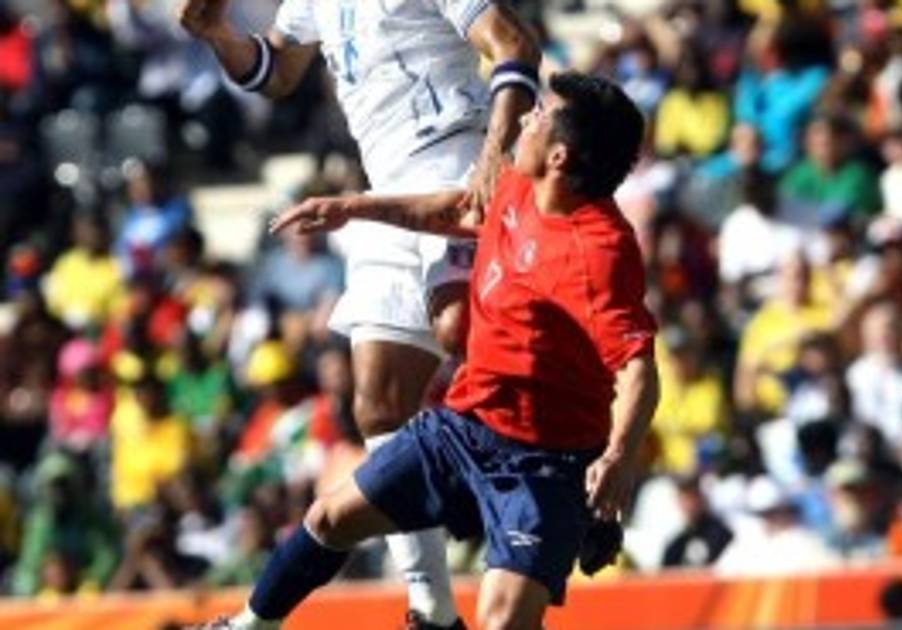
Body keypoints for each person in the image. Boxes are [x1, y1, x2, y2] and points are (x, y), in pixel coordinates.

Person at [197, 73, 658, 630]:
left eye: (538, 114)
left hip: (545, 461)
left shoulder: (599, 251)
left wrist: (618, 459)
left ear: (559, 156)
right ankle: (246, 627)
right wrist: (352, 208)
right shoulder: (518, 183)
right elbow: (458, 212)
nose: (524, 117)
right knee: (330, 518)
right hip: (464, 427)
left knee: (503, 621)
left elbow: (638, 369)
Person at [178, 0, 540, 627]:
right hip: (382, 190)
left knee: (460, 330)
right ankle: (433, 610)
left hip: (455, 167)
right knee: (376, 403)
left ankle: (550, 484)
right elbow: (275, 71)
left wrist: (492, 156)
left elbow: (514, 43)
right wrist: (216, 34)